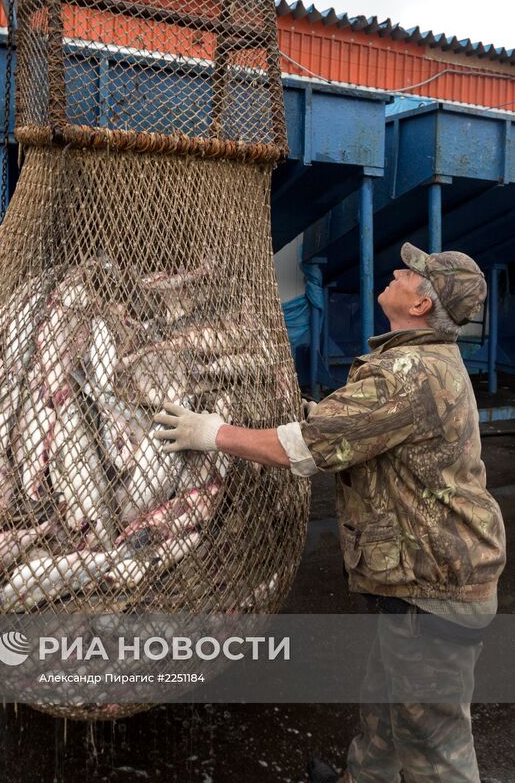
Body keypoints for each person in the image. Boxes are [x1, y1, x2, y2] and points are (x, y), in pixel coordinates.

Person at [154, 243, 506, 783]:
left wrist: (212, 433)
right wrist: (306, 413)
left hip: (435, 589)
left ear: (421, 306)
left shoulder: (409, 372)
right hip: (418, 586)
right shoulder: (417, 361)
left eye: (411, 273)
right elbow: (363, 427)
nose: (396, 270)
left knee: (437, 748)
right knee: (386, 714)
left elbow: (297, 451)